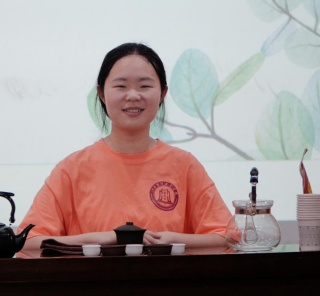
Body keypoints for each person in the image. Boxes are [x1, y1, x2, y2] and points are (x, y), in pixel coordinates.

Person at [19, 43, 231, 250]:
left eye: (145, 86)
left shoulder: (185, 165)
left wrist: (173, 241)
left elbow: (228, 237)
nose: (133, 95)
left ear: (163, 94)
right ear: (101, 94)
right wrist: (104, 239)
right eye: (121, 86)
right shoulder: (72, 169)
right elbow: (28, 242)